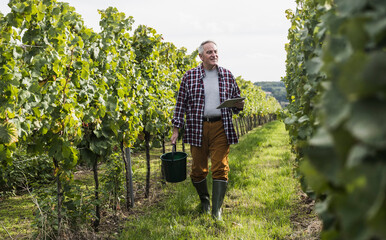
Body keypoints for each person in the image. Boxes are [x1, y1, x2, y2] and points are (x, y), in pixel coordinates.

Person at [171, 40, 244, 221]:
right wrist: (175, 130)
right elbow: (181, 105)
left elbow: (237, 103)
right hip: (197, 127)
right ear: (201, 56)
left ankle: (217, 210)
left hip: (221, 126)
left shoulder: (227, 75)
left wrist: (239, 104)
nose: (214, 55)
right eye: (209, 52)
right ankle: (205, 201)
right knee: (198, 169)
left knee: (220, 167)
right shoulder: (189, 77)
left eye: (216, 52)